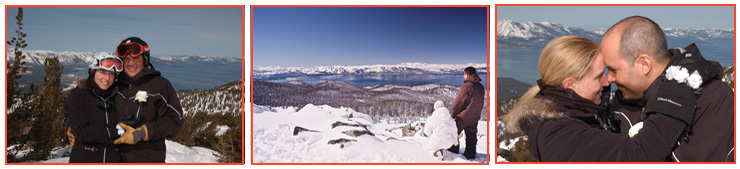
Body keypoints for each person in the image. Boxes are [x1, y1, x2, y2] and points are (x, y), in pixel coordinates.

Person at [504, 36, 700, 161]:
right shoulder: (559, 135)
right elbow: (640, 155)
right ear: (570, 84)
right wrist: (680, 84)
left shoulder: (567, 114)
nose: (608, 82)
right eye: (599, 76)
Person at [601, 16, 734, 162]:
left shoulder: (711, 99)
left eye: (613, 70)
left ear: (644, 64)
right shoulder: (623, 100)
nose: (609, 79)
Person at [113, 37, 184, 163]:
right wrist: (79, 128)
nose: (130, 63)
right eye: (126, 59)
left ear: (144, 59)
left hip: (148, 159)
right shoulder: (116, 86)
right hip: (116, 159)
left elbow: (175, 120)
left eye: (136, 58)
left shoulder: (160, 85)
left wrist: (144, 132)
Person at [63, 52, 124, 163]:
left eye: (111, 74)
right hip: (85, 159)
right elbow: (82, 132)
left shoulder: (117, 96)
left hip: (113, 159)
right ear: (93, 72)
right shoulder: (79, 95)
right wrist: (116, 131)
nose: (107, 78)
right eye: (102, 72)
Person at [448, 66, 485, 159]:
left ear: (467, 74)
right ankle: (470, 155)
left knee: (453, 132)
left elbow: (459, 102)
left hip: (463, 117)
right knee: (471, 137)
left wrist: (452, 116)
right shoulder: (480, 87)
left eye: (464, 74)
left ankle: (453, 153)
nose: (464, 76)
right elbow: (481, 103)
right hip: (475, 117)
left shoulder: (466, 86)